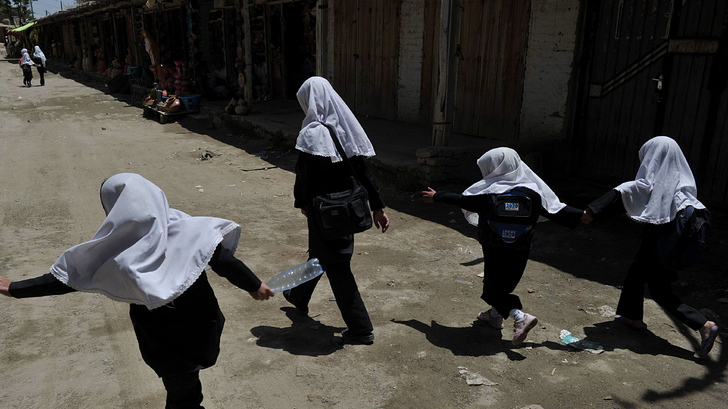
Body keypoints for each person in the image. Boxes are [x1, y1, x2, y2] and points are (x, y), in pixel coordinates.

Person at [0, 173, 275, 409]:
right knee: (181, 390)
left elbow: (68, 279)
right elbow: (223, 259)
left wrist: (16, 289)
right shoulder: (186, 227)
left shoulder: (119, 252)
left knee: (185, 401)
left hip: (168, 346)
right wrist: (254, 285)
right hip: (205, 330)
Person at [422, 147, 582, 346]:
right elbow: (555, 211)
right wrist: (584, 215)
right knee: (505, 284)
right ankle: (495, 316)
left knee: (491, 289)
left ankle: (520, 316)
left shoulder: (489, 193)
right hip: (521, 247)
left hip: (494, 246)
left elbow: (463, 200)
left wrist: (437, 196)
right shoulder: (534, 194)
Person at [582, 136, 719, 357]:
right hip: (672, 247)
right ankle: (633, 318)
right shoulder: (684, 190)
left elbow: (628, 191)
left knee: (657, 288)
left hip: (663, 243)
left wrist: (592, 211)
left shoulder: (656, 187)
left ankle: (704, 325)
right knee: (639, 275)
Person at [284, 76, 390, 345]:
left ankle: (361, 329)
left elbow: (304, 177)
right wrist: (377, 206)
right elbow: (365, 172)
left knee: (338, 267)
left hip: (323, 212)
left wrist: (302, 205)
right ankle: (298, 296)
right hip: (350, 208)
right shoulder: (345, 127)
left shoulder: (312, 133)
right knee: (324, 256)